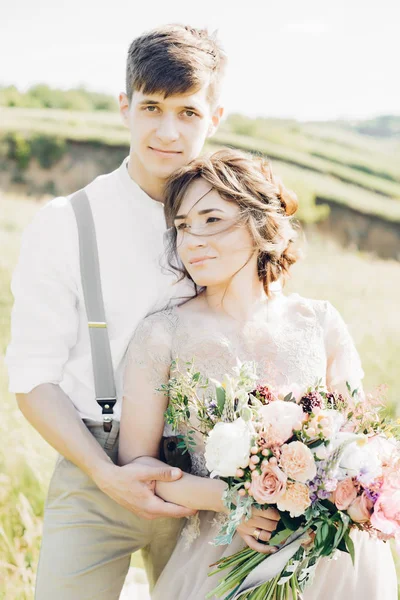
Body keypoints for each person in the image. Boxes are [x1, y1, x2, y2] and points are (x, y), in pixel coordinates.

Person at [6, 24, 276, 600]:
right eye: (152, 107)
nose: (168, 131)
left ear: (216, 117)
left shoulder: (235, 218)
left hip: (211, 473)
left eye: (188, 112)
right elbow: (31, 376)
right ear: (125, 106)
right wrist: (106, 474)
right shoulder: (67, 222)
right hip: (95, 464)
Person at [120, 148, 398, 599]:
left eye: (211, 219)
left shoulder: (319, 322)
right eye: (183, 226)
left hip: (331, 559)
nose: (192, 239)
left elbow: (359, 445)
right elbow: (138, 468)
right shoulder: (162, 334)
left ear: (258, 223)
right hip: (223, 556)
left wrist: (337, 493)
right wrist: (230, 500)